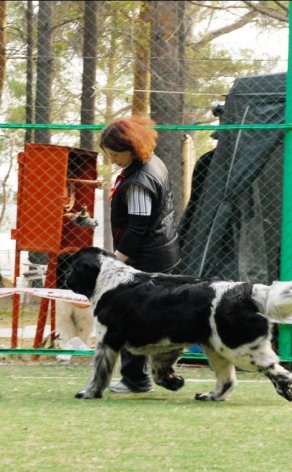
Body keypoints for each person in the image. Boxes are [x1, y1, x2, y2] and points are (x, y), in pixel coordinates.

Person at [99, 115, 181, 393]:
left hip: (145, 259)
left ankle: (136, 378)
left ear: (131, 148)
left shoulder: (138, 181)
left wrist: (117, 261)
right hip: (163, 253)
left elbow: (137, 227)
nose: (112, 160)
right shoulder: (153, 163)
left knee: (129, 317)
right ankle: (148, 373)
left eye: (114, 154)